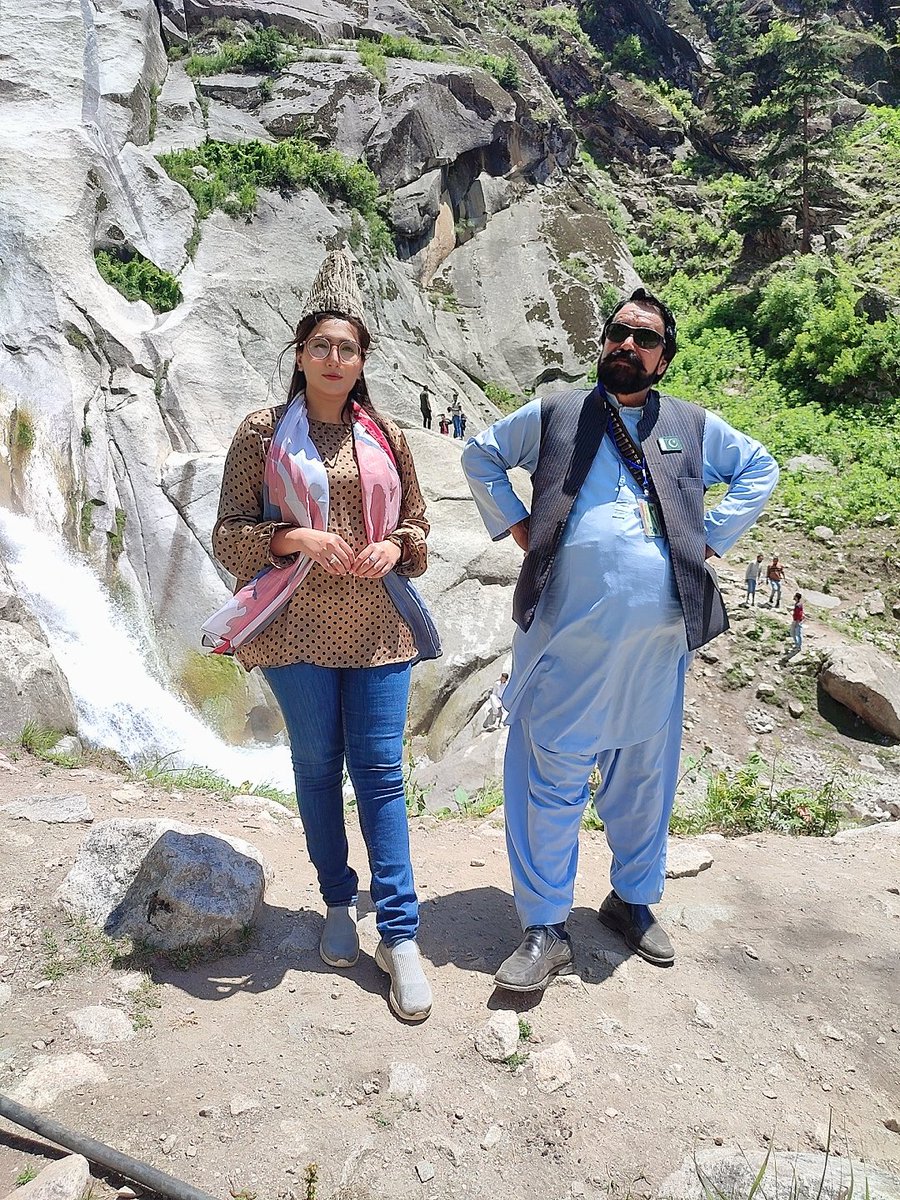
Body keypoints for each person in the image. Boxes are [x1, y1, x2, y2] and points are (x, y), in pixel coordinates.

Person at [461, 287, 779, 991]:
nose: (627, 347)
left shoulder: (690, 425)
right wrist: (515, 524)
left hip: (655, 649)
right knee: (550, 783)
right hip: (563, 645)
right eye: (618, 333)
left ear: (663, 359)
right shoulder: (558, 411)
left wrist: (710, 539)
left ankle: (630, 901)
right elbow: (481, 454)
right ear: (603, 343)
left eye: (645, 339)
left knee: (643, 783)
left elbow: (761, 469)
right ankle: (545, 927)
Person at [203, 250, 440, 1022]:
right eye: (320, 346)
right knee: (315, 764)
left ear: (362, 359)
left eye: (348, 347)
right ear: (300, 355)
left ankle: (399, 933)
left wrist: (395, 547)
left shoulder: (389, 435)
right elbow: (228, 535)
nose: (334, 358)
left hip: (378, 629)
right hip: (294, 627)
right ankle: (338, 900)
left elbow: (420, 532)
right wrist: (295, 540)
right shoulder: (262, 431)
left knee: (378, 772)